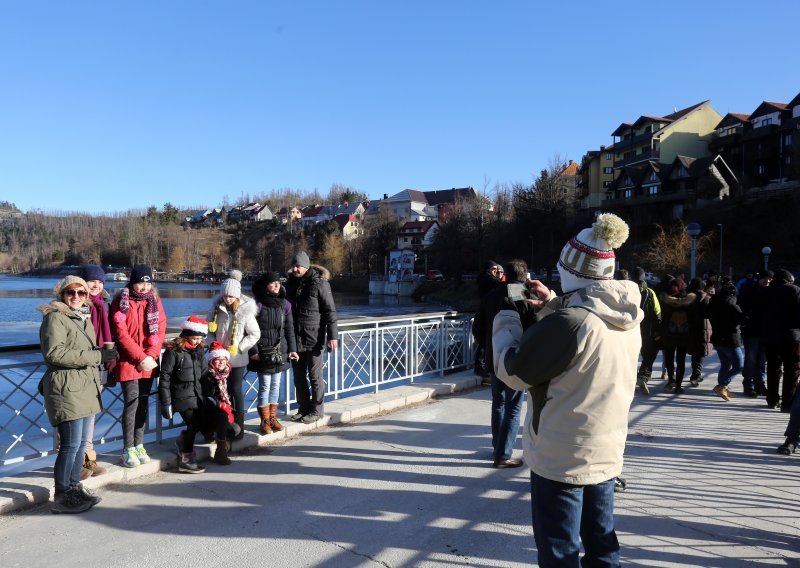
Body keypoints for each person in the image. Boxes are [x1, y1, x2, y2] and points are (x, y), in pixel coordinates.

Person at [492, 213, 642, 567]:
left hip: (563, 457)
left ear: (571, 270)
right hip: (604, 449)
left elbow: (513, 371)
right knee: (602, 546)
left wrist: (506, 320)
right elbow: (586, 315)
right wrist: (556, 302)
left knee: (560, 551)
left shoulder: (571, 322)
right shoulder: (625, 314)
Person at [38, 276, 112, 513]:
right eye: (71, 292)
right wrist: (97, 357)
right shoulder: (55, 318)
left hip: (83, 387)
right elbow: (55, 354)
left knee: (80, 445)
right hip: (66, 388)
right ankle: (61, 494)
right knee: (69, 445)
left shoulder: (82, 318)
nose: (76, 297)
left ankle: (74, 486)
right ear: (62, 294)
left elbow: (83, 350)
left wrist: (102, 354)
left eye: (81, 293)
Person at [472, 259, 533, 468]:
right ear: (524, 275)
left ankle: (497, 446)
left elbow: (477, 329)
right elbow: (532, 326)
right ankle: (503, 455)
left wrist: (490, 346)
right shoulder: (521, 293)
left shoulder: (491, 295)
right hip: (515, 359)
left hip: (493, 358)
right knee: (513, 408)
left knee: (497, 403)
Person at [109, 264, 167, 468]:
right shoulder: (120, 301)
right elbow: (120, 333)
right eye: (140, 282)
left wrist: (151, 355)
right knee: (132, 404)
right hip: (129, 361)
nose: (143, 287)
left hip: (149, 361)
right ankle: (128, 448)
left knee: (143, 404)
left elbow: (160, 328)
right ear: (132, 282)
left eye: (147, 282)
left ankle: (139, 444)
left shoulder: (155, 300)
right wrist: (140, 357)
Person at [285, 251, 338, 424]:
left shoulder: (320, 284)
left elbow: (330, 311)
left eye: (298, 266)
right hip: (295, 338)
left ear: (306, 266)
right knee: (298, 376)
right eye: (293, 266)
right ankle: (304, 407)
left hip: (314, 337)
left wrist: (332, 336)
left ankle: (317, 410)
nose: (294, 269)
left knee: (315, 376)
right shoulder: (290, 284)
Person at [206, 269, 260, 439]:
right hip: (218, 359)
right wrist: (213, 347)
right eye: (224, 296)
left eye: (230, 296)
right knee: (218, 392)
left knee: (235, 390)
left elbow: (255, 334)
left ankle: (238, 428)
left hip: (236, 358)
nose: (227, 299)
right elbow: (208, 331)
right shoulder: (216, 308)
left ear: (237, 296)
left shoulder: (245, 310)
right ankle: (219, 427)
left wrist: (240, 347)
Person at [158, 316, 211, 473]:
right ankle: (186, 458)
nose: (196, 341)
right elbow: (165, 377)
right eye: (194, 338)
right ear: (186, 335)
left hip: (197, 394)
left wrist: (209, 394)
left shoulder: (199, 350)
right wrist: (166, 402)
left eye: (199, 338)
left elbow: (204, 373)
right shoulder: (174, 351)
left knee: (201, 422)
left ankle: (183, 442)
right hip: (180, 395)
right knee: (193, 423)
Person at [77, 264, 114, 479]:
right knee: (76, 414)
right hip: (82, 366)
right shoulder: (78, 304)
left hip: (99, 364)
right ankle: (75, 461)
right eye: (92, 281)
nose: (96, 285)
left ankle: (88, 457)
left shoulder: (103, 304)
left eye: (100, 282)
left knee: (90, 413)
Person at [250, 272, 298, 434]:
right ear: (265, 286)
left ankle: (272, 418)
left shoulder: (285, 305)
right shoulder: (256, 305)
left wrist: (292, 349)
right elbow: (247, 330)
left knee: (276, 385)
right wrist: (253, 350)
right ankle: (264, 421)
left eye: (278, 282)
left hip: (280, 351)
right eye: (273, 283)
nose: (277, 285)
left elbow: (289, 329)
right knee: (265, 386)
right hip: (262, 351)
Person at [761, 269, 800, 412]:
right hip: (791, 336)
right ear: (790, 279)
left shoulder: (765, 292)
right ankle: (788, 403)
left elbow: (758, 314)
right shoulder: (795, 290)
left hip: (770, 337)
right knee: (792, 369)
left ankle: (772, 400)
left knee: (773, 368)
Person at [707, 280, 746, 401]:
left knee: (725, 364)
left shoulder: (713, 303)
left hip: (717, 339)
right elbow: (743, 321)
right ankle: (722, 385)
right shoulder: (732, 305)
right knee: (739, 366)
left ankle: (723, 388)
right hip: (731, 340)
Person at [205, 341, 241, 465]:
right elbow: (206, 397)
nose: (221, 362)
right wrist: (222, 406)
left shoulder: (226, 374)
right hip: (208, 410)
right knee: (222, 418)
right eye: (217, 360)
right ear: (211, 360)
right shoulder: (208, 375)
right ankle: (220, 453)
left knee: (235, 430)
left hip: (223, 410)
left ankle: (217, 439)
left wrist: (229, 409)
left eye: (224, 360)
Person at [660, 276, 697, 394]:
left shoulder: (666, 301)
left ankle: (671, 380)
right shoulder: (689, 302)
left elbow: (662, 319)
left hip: (669, 335)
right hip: (684, 336)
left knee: (669, 359)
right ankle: (678, 386)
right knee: (681, 361)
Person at [739, 270, 772, 397]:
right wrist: (747, 320)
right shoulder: (749, 289)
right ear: (759, 279)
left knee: (762, 360)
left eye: (770, 279)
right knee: (750, 359)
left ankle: (760, 385)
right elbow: (741, 306)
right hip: (751, 331)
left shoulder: (771, 291)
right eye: (765, 278)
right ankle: (748, 385)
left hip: (765, 331)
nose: (767, 281)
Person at [632, 267, 661, 395]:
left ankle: (629, 379)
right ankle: (643, 376)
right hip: (646, 331)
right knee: (649, 355)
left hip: (628, 329)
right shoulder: (650, 292)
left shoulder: (625, 291)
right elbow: (657, 313)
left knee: (630, 357)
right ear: (644, 278)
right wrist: (658, 330)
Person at [474, 260, 505, 380]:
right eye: (494, 270)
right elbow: (498, 285)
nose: (496, 272)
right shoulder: (486, 277)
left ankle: (482, 365)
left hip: (486, 311)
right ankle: (480, 366)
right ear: (488, 269)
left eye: (498, 271)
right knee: (484, 340)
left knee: (484, 339)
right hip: (486, 312)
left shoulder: (486, 278)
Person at [686, 277, 713, 387]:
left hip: (690, 327)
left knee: (695, 351)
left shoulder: (687, 297)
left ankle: (695, 374)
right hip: (704, 327)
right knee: (701, 352)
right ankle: (696, 375)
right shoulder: (706, 298)